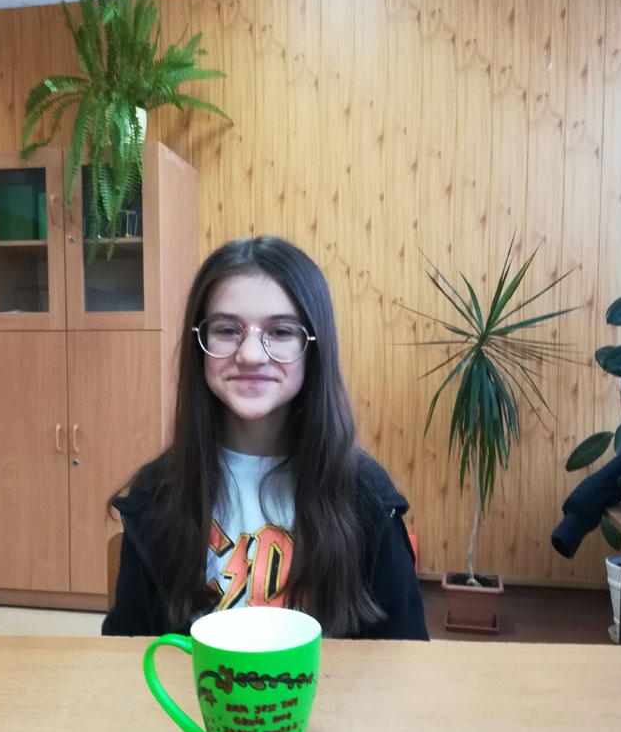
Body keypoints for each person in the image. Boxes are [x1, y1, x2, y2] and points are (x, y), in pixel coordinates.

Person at [102, 235, 428, 640]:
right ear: (200, 345)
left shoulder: (366, 497)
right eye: (227, 330)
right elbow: (127, 648)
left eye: (281, 331)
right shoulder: (156, 493)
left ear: (313, 347)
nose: (251, 355)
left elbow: (405, 651)